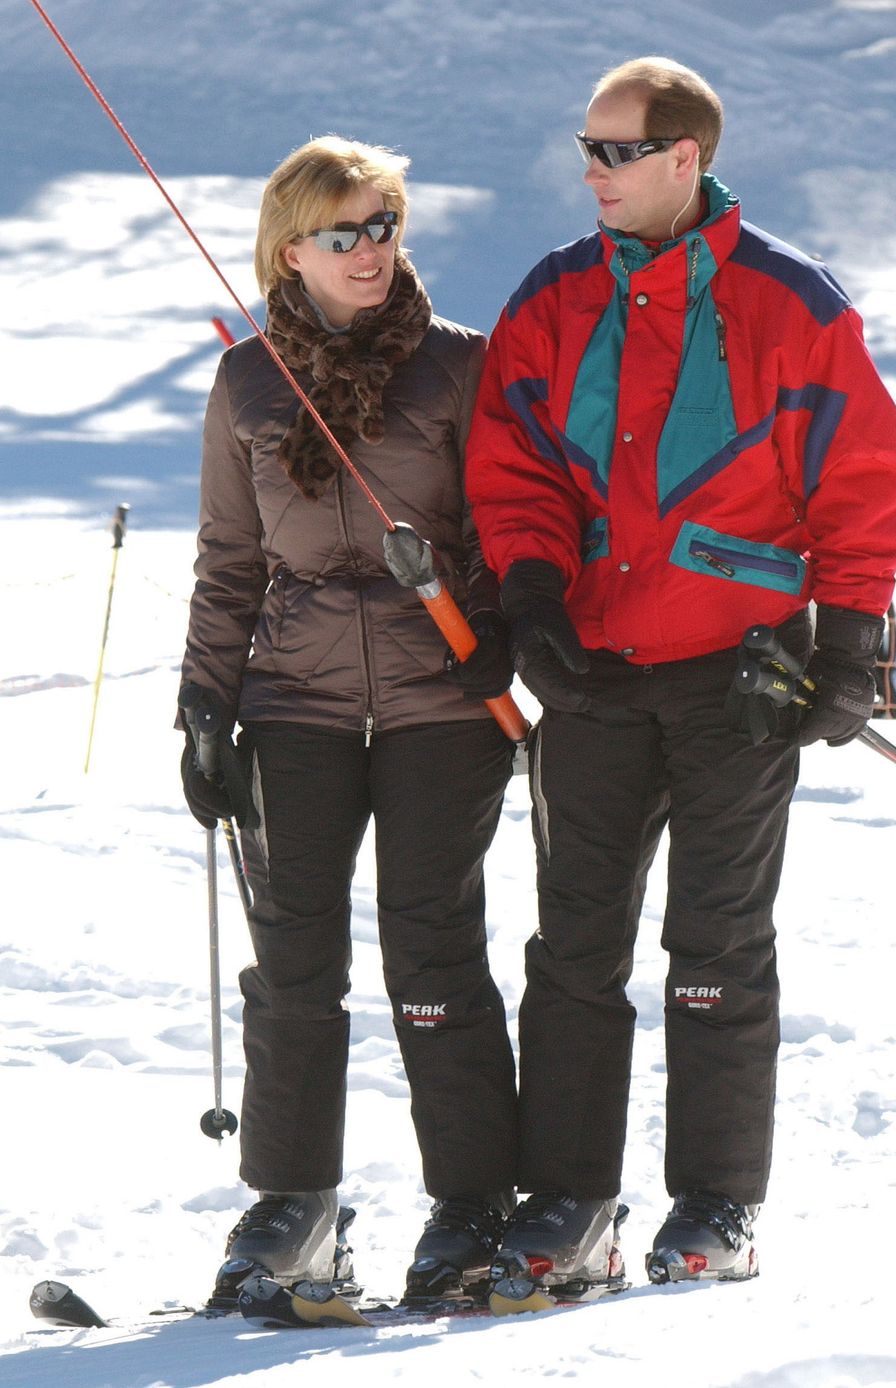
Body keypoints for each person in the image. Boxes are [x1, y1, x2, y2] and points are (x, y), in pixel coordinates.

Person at [465, 57, 896, 1291]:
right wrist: (529, 586)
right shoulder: (553, 296)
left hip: (738, 677)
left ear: (684, 159)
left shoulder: (791, 302)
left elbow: (861, 480)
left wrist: (847, 637)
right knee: (573, 947)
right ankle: (567, 1193)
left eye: (614, 151)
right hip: (593, 672)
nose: (590, 171)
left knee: (716, 944)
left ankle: (716, 1203)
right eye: (586, 147)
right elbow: (511, 462)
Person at [178, 135, 519, 1303]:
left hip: (441, 702)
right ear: (290, 248)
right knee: (291, 964)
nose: (371, 249)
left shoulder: (460, 365)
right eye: (344, 232)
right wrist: (203, 703)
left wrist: (507, 626)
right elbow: (230, 561)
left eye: (383, 225)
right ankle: (293, 1203)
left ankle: (473, 1200)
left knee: (433, 947)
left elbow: (512, 526)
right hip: (295, 704)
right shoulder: (247, 382)